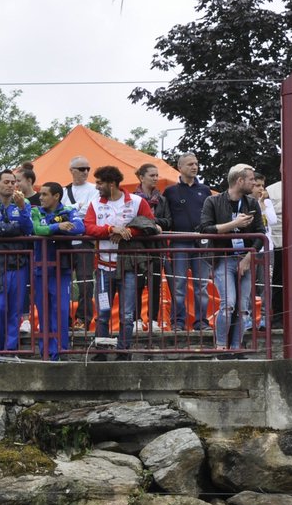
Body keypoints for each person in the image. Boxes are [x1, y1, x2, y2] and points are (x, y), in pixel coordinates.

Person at [83, 165, 157, 358]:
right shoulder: (95, 203)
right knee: (103, 313)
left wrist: (127, 233)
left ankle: (124, 351)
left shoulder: (136, 201)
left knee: (127, 314)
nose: (97, 186)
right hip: (102, 267)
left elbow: (149, 225)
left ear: (112, 184)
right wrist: (110, 229)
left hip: (128, 267)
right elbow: (89, 227)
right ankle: (101, 351)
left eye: (100, 183)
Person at [199, 166, 264, 357]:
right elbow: (205, 229)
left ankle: (236, 348)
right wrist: (233, 225)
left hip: (245, 258)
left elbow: (261, 233)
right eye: (251, 179)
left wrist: (248, 256)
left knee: (243, 308)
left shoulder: (252, 203)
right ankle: (221, 347)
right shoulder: (212, 201)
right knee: (228, 305)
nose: (254, 183)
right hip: (224, 259)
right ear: (239, 181)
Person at [0, 170, 34, 353]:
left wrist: (22, 210)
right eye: (6, 182)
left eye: (13, 182)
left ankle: (10, 350)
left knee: (15, 310)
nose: (11, 185)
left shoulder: (23, 202)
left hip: (19, 263)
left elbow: (28, 229)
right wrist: (13, 229)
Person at [30, 182, 83, 360]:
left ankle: (61, 351)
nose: (41, 197)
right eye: (41, 194)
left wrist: (55, 228)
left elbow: (79, 228)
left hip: (62, 269)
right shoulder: (36, 211)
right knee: (43, 312)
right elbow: (37, 229)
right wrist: (57, 227)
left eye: (45, 194)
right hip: (40, 269)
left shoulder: (67, 211)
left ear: (56, 196)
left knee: (60, 310)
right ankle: (46, 352)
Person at [163, 152, 214, 332]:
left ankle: (201, 323)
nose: (194, 167)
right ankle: (177, 322)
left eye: (196, 163)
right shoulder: (170, 191)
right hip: (179, 243)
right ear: (180, 167)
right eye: (190, 164)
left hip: (201, 243)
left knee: (201, 285)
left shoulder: (205, 190)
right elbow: (166, 216)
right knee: (178, 285)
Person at [62, 157, 100, 331]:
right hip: (64, 241)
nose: (86, 171)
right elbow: (58, 212)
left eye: (88, 168)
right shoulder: (63, 190)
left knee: (86, 282)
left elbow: (90, 210)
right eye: (82, 168)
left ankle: (83, 319)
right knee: (63, 281)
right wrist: (76, 208)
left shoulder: (94, 189)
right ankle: (65, 318)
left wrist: (70, 210)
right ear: (72, 170)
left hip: (84, 241)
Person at [135, 162, 171, 334]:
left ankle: (154, 319)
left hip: (157, 246)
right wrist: (151, 223)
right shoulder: (133, 198)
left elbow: (168, 221)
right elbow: (131, 219)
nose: (156, 178)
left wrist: (150, 222)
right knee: (137, 283)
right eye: (152, 175)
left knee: (155, 283)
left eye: (157, 175)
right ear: (141, 177)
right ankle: (135, 318)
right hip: (138, 246)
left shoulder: (162, 199)